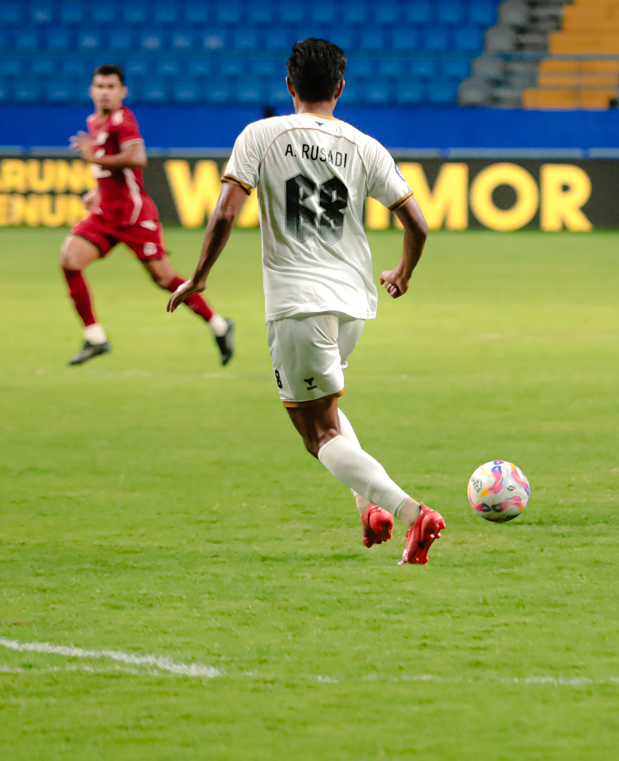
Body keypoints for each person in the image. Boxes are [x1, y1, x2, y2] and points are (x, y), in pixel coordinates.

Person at [168, 38, 446, 565]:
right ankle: (369, 508)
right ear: (340, 87)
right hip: (354, 302)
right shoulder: (365, 145)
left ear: (290, 86)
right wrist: (403, 272)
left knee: (316, 432)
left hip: (298, 302)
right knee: (327, 409)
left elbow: (225, 214)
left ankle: (413, 513)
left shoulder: (261, 135)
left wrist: (200, 276)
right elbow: (418, 223)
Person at [61, 65, 235, 368]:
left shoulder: (123, 120)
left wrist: (93, 158)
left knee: (165, 278)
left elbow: (138, 158)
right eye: (100, 85)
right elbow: (111, 171)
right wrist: (98, 192)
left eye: (111, 86)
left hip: (134, 217)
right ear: (91, 90)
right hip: (105, 215)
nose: (105, 91)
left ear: (122, 92)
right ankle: (95, 337)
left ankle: (219, 325)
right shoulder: (94, 121)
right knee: (69, 260)